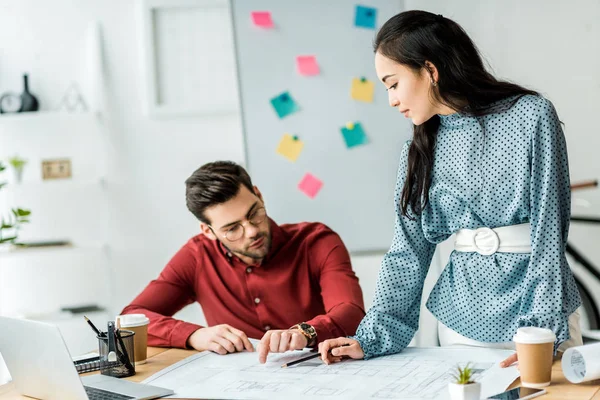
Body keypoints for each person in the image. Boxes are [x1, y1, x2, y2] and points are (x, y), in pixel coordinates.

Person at [319, 10, 582, 367]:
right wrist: (371, 337)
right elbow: (407, 254)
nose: (391, 99)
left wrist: (539, 332)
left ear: (430, 70)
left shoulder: (531, 115)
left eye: (393, 83)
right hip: (461, 320)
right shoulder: (416, 153)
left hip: (537, 314)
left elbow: (549, 233)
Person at [122, 161, 365, 363]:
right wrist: (195, 335)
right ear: (208, 231)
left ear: (258, 195)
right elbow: (130, 318)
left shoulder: (316, 242)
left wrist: (305, 333)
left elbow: (351, 312)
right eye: (232, 228)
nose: (251, 232)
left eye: (254, 214)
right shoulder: (197, 256)